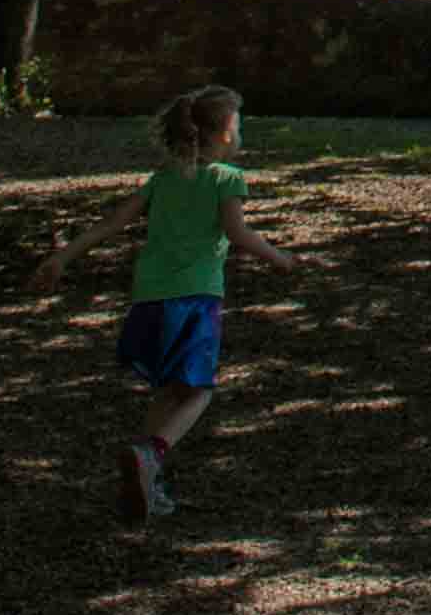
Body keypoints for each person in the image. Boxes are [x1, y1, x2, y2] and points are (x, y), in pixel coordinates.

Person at [81, 83, 305, 526]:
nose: (241, 134)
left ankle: (150, 481)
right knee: (199, 391)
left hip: (148, 299)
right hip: (195, 298)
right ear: (222, 134)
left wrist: (61, 257)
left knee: (168, 391)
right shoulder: (227, 178)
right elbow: (238, 233)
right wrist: (282, 259)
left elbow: (114, 222)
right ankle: (152, 452)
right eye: (237, 126)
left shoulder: (162, 180)